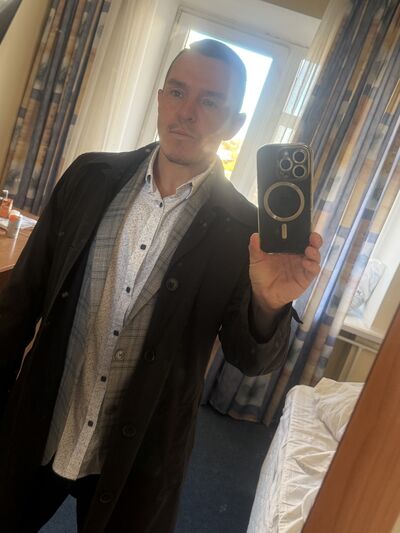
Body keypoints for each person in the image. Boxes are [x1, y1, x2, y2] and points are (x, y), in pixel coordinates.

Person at [0, 39, 322, 532]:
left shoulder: (245, 230)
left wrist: (267, 302)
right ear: (159, 97)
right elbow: (19, 302)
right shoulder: (89, 176)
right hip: (44, 420)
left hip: (139, 455)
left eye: (209, 101)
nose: (186, 112)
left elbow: (250, 359)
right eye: (177, 91)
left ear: (235, 124)